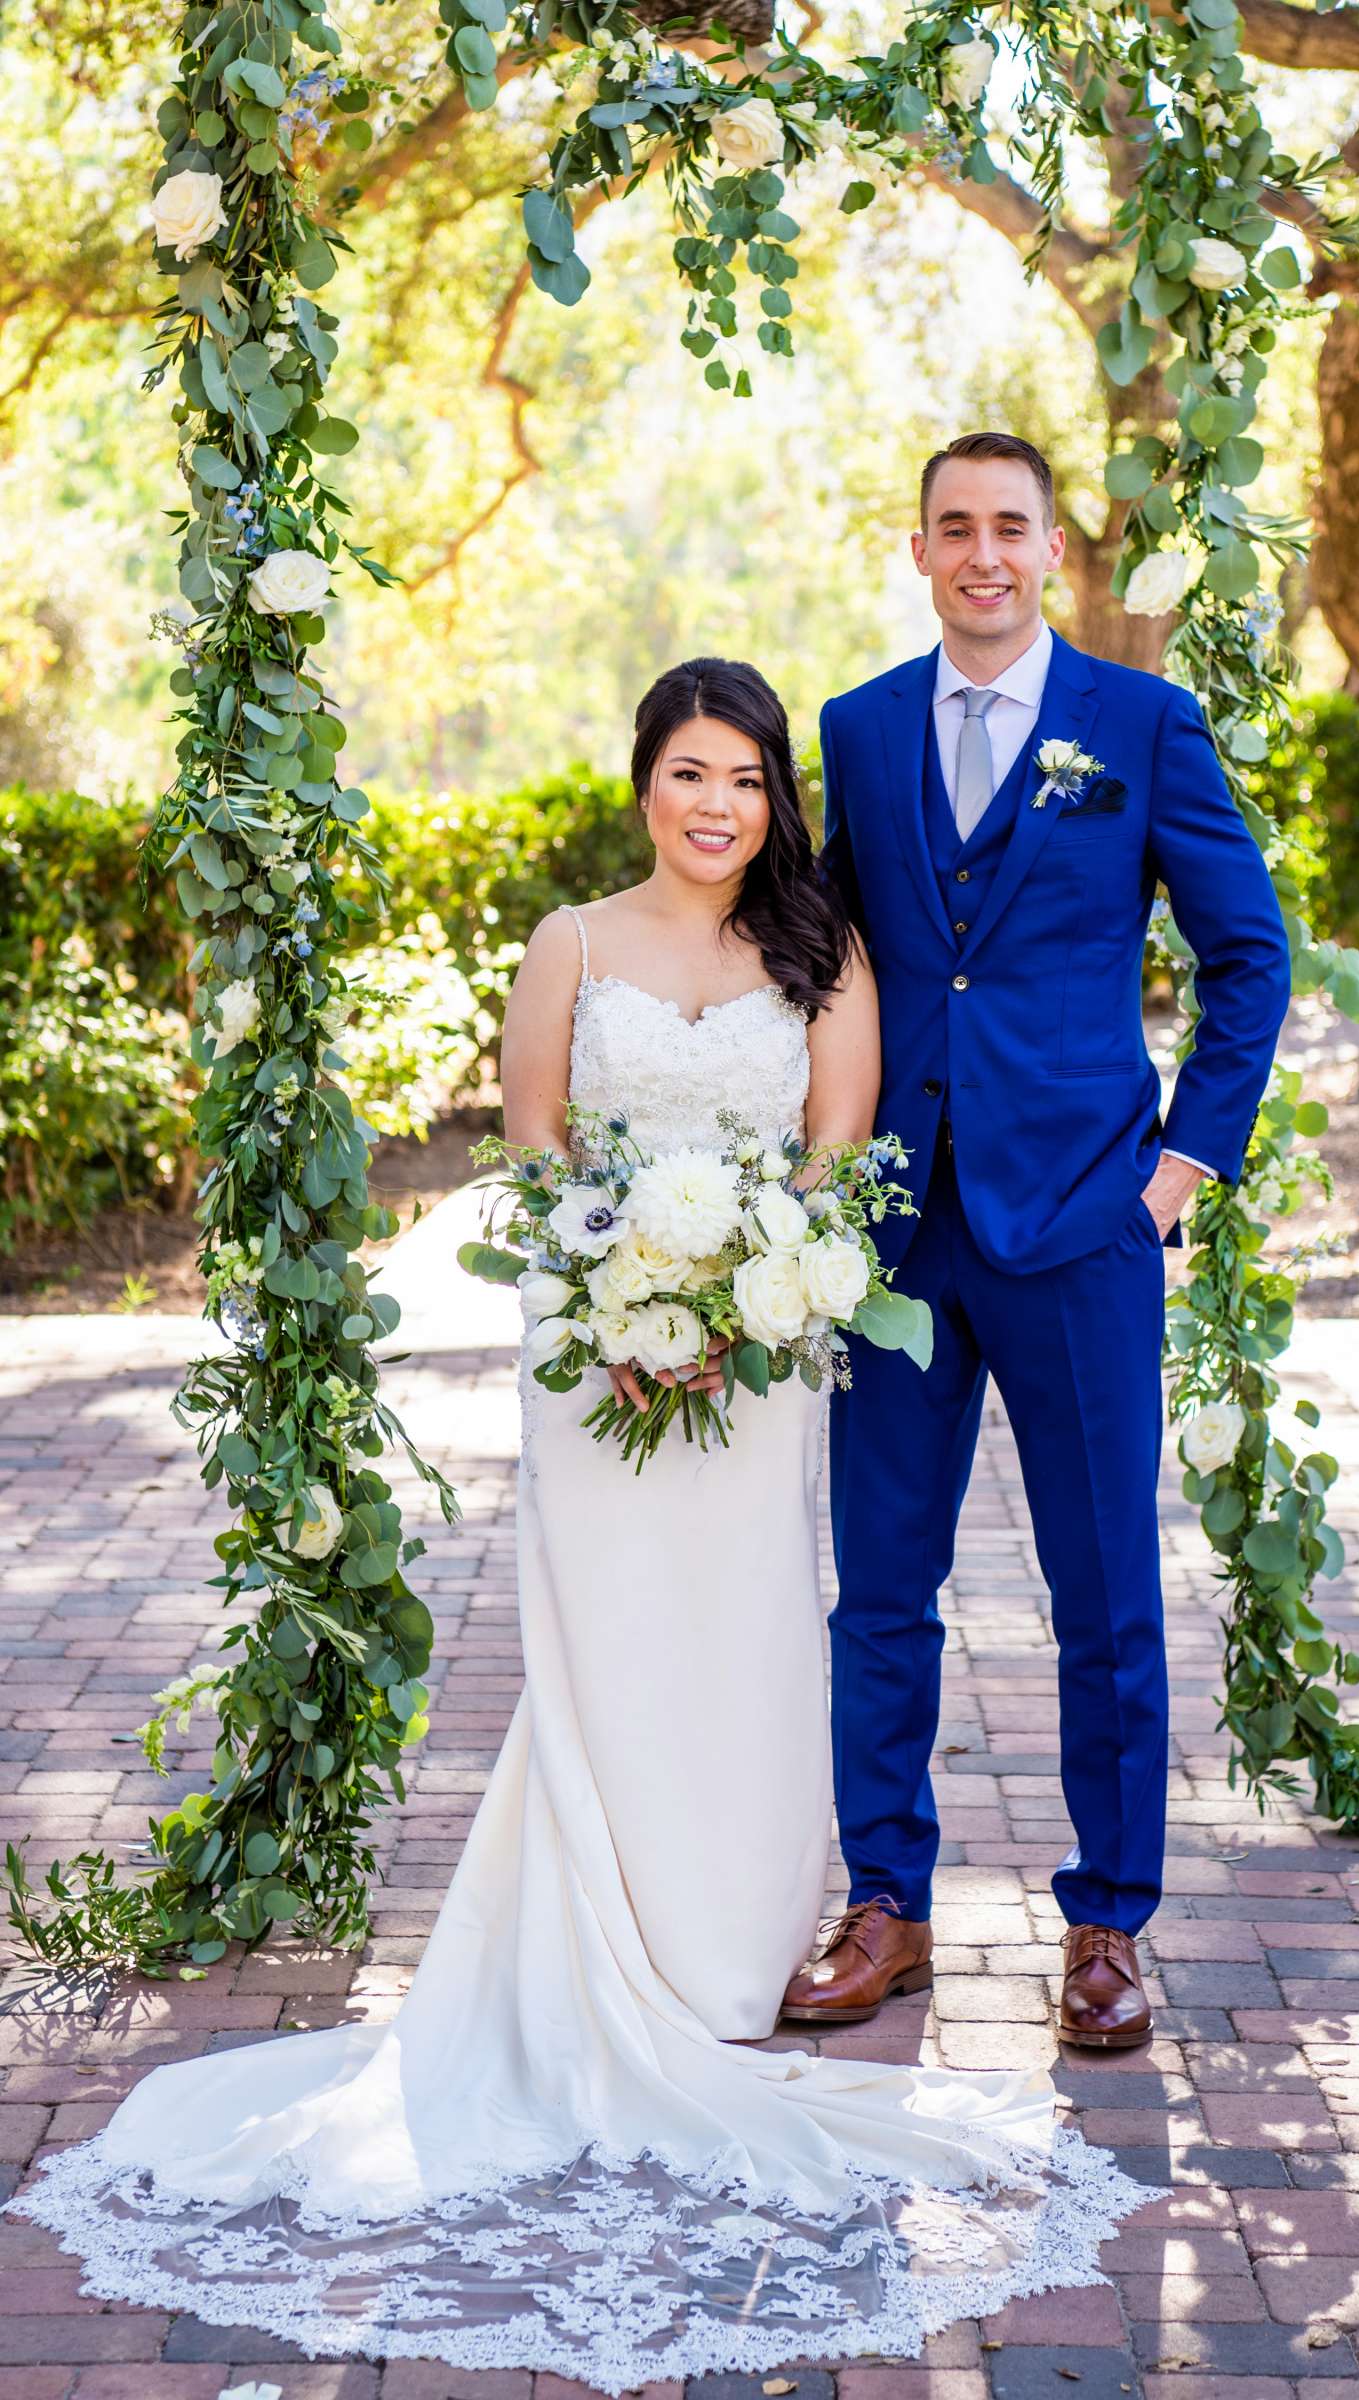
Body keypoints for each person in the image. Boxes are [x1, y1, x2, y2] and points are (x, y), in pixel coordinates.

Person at [10, 655, 1151, 2390]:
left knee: (766, 1636)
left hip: (762, 1359)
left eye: (749, 781)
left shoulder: (823, 954)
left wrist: (752, 1291)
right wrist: (614, 1296)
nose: (718, 806)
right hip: (594, 1363)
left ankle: (736, 1945)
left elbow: (841, 1164)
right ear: (644, 782)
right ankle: (602, 1949)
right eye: (691, 773)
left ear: (780, 800)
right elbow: (535, 1141)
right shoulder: (569, 941)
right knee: (608, 1654)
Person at [784, 433, 1291, 2051]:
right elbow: (827, 953)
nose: (983, 554)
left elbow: (1248, 958)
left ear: (1054, 551)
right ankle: (889, 1905)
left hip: (1082, 1224)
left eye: (1012, 528)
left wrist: (1177, 1178)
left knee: (1104, 1594)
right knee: (881, 1587)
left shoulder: (1141, 725)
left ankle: (1107, 1927)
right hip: (897, 1238)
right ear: (918, 548)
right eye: (955, 528)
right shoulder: (858, 731)